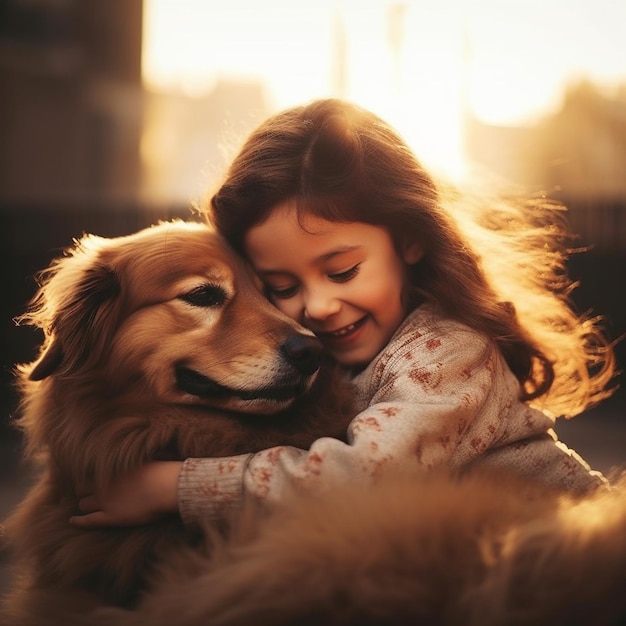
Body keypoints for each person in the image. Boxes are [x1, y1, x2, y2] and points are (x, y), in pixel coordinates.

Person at [70, 98, 616, 529]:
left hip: (555, 558)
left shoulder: (448, 352)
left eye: (343, 272)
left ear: (410, 241)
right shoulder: (337, 355)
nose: (317, 307)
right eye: (280, 286)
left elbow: (364, 478)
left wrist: (175, 487)